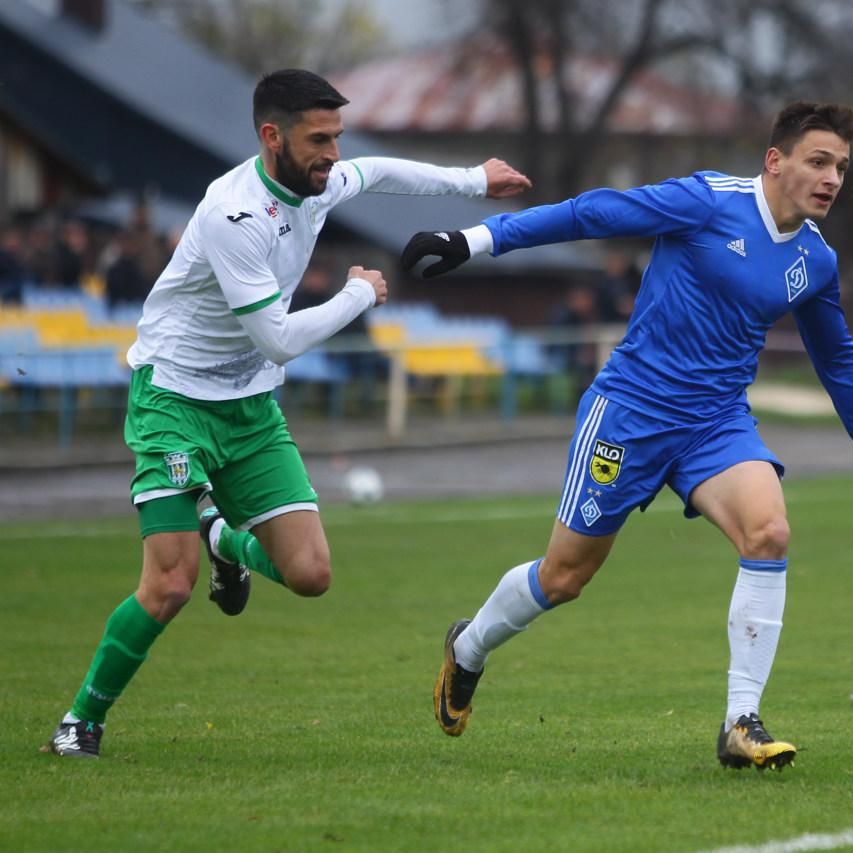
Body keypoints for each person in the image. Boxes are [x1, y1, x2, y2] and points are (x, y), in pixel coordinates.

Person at [43, 68, 531, 758]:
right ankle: (81, 719)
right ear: (271, 137)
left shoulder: (322, 181)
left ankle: (224, 541)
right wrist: (359, 294)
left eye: (335, 137)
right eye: (317, 140)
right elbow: (277, 337)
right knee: (169, 583)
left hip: (249, 405)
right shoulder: (233, 214)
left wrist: (472, 181)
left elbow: (379, 171)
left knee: (310, 574)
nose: (332, 155)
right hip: (176, 399)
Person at [401, 101, 853, 771]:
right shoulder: (704, 201)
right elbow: (591, 213)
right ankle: (467, 649)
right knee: (563, 576)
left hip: (716, 422)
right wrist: (474, 240)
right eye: (818, 160)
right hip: (630, 413)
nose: (831, 177)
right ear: (774, 160)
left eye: (841, 167)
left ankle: (740, 720)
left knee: (770, 533)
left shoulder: (815, 261)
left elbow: (835, 359)